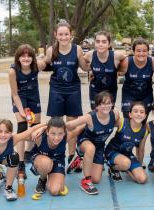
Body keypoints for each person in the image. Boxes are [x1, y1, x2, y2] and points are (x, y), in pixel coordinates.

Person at [39, 20, 90, 174]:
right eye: (60, 34)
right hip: (56, 89)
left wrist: (94, 61)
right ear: (56, 35)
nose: (63, 37)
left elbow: (84, 66)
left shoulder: (78, 49)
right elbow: (45, 64)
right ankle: (54, 154)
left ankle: (72, 156)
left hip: (73, 89)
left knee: (72, 125)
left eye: (66, 34)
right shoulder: (51, 50)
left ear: (71, 35)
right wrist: (37, 60)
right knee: (55, 125)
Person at [0, 119, 45, 201]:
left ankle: (8, 188)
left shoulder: (13, 139)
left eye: (7, 132)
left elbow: (31, 130)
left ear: (11, 133)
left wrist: (46, 124)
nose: (3, 135)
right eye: (0, 131)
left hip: (2, 159)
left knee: (14, 156)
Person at [66, 91, 120, 195]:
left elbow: (122, 126)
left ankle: (79, 163)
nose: (106, 106)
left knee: (96, 179)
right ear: (97, 106)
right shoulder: (90, 117)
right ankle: (86, 181)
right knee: (90, 149)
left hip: (99, 147)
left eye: (109, 103)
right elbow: (70, 125)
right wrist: (49, 126)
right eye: (103, 103)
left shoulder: (115, 114)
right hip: (85, 142)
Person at [9, 44, 42, 178]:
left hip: (34, 97)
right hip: (20, 97)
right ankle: (21, 163)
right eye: (23, 55)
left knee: (36, 127)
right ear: (18, 58)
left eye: (29, 55)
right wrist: (22, 111)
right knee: (22, 127)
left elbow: (48, 61)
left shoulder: (36, 66)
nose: (26, 58)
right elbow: (15, 94)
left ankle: (32, 153)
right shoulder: (13, 71)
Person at [29, 117, 84, 195]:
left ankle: (52, 176)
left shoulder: (67, 136)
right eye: (53, 133)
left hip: (57, 160)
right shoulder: (39, 136)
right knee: (46, 163)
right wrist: (40, 128)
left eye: (60, 133)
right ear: (47, 132)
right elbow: (21, 136)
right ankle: (42, 179)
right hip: (41, 160)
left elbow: (79, 129)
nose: (56, 137)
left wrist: (93, 118)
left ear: (64, 133)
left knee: (55, 190)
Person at [105, 101, 148, 183]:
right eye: (135, 111)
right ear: (130, 114)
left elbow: (141, 149)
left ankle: (125, 168)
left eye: (141, 112)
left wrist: (139, 166)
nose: (138, 114)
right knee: (126, 164)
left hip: (127, 154)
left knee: (142, 179)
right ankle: (113, 168)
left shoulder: (145, 130)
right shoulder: (122, 122)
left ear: (145, 116)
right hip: (113, 151)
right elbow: (106, 124)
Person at [84, 31, 126, 109]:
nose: (100, 44)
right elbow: (82, 64)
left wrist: (119, 71)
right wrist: (90, 70)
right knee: (95, 113)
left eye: (104, 42)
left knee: (109, 113)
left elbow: (128, 60)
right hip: (95, 90)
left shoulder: (116, 56)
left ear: (109, 44)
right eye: (98, 42)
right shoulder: (90, 55)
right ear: (94, 43)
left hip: (110, 90)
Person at [118, 38, 154, 119]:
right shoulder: (126, 62)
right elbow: (114, 69)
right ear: (133, 52)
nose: (141, 53)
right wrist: (93, 73)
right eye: (138, 51)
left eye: (144, 51)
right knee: (128, 122)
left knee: (141, 122)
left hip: (146, 96)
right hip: (129, 95)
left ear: (148, 51)